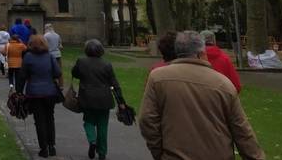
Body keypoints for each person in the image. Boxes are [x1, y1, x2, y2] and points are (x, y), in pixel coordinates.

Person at [139, 30, 264, 160]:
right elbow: (242, 132)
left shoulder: (158, 77)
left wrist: (159, 152)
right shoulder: (223, 84)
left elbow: (147, 120)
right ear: (201, 53)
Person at [71, 39, 125, 160]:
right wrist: (121, 102)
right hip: (104, 99)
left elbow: (74, 73)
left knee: (88, 122)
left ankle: (92, 141)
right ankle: (102, 153)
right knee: (102, 126)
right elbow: (114, 84)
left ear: (86, 50)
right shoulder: (107, 64)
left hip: (87, 98)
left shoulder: (81, 62)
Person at [17, 34, 61, 158]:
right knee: (50, 118)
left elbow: (22, 76)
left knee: (39, 120)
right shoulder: (50, 56)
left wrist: (19, 91)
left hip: (35, 93)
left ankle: (44, 148)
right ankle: (51, 146)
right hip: (50, 92)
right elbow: (58, 73)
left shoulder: (28, 57)